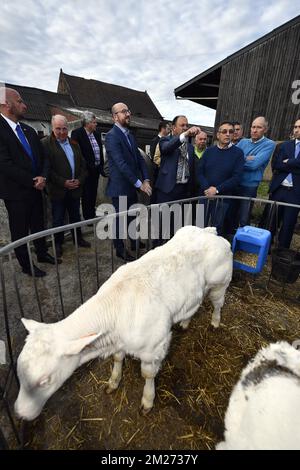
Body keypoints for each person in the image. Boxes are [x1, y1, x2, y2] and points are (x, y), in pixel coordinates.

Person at [0, 87, 56, 277]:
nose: (25, 105)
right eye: (20, 101)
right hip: (16, 193)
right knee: (20, 231)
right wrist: (33, 180)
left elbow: (45, 158)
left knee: (38, 224)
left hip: (36, 189)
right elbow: (4, 164)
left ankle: (42, 253)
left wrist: (43, 177)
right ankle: (26, 265)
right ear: (6, 104)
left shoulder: (29, 130)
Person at [105, 102, 152, 261]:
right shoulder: (112, 136)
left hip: (132, 186)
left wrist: (146, 178)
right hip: (120, 188)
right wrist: (140, 184)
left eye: (128, 110)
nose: (128, 114)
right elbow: (121, 165)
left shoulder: (130, 135)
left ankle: (133, 242)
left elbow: (139, 159)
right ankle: (119, 249)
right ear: (114, 117)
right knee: (119, 221)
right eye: (123, 111)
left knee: (132, 216)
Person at [42, 115, 90, 258]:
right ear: (52, 127)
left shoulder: (74, 143)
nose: (62, 132)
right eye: (58, 129)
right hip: (58, 191)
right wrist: (64, 182)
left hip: (75, 189)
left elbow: (83, 165)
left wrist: (79, 180)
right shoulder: (45, 144)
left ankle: (78, 238)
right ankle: (58, 243)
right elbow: (47, 170)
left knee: (76, 215)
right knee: (58, 219)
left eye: (64, 128)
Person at [196, 121, 244, 235]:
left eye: (231, 132)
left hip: (223, 198)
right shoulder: (208, 151)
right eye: (224, 131)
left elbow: (237, 177)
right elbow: (199, 172)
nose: (227, 134)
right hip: (205, 195)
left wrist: (216, 190)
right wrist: (208, 189)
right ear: (218, 135)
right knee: (199, 226)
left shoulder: (238, 153)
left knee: (216, 229)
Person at [234, 117, 276, 227]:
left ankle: (243, 241)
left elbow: (253, 165)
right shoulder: (243, 142)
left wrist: (240, 158)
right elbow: (231, 158)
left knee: (244, 218)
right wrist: (247, 158)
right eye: (253, 127)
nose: (255, 130)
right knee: (231, 216)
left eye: (259, 127)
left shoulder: (269, 144)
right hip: (235, 183)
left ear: (265, 129)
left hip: (249, 186)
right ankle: (229, 240)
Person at [268, 119, 300, 248]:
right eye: (295, 126)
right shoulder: (283, 146)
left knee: (288, 225)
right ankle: (265, 249)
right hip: (279, 189)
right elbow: (276, 165)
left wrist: (289, 162)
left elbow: (283, 165)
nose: (296, 129)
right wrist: (296, 165)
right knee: (271, 222)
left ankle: (281, 255)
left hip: (295, 192)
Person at [156, 115, 200, 204]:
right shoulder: (165, 140)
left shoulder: (190, 147)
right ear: (174, 127)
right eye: (182, 125)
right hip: (167, 190)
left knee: (178, 218)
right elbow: (167, 148)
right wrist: (185, 134)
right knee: (164, 217)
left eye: (187, 125)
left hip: (184, 191)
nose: (185, 128)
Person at [71, 112, 106, 221]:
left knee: (93, 193)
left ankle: (91, 214)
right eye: (94, 122)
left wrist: (101, 166)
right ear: (87, 123)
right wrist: (87, 167)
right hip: (85, 171)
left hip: (96, 170)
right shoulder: (77, 133)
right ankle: (87, 217)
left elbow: (99, 151)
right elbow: (77, 153)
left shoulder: (96, 133)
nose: (96, 125)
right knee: (86, 194)